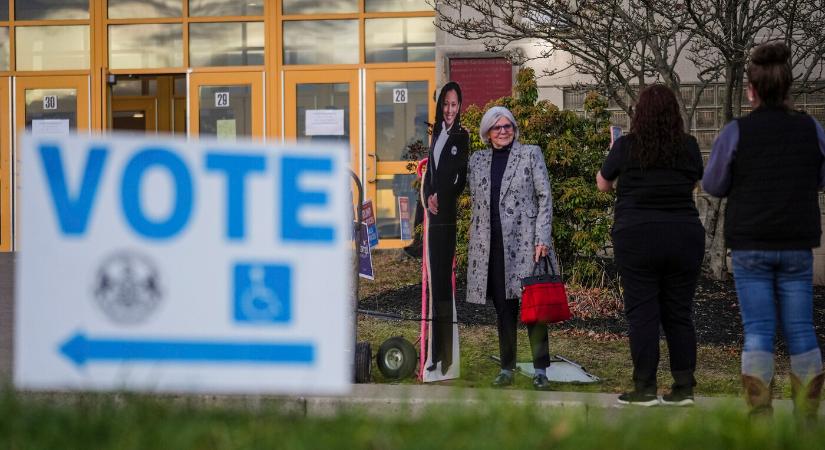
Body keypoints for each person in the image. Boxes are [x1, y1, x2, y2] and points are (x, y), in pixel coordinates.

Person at [702, 42, 825, 419]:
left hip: (750, 243)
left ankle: (759, 416)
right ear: (788, 88)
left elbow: (713, 183)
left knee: (758, 331)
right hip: (796, 243)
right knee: (802, 329)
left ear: (750, 90)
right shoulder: (811, 128)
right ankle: (806, 417)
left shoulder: (737, 131)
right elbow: (820, 177)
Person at [596, 84, 705, 407]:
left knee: (643, 314)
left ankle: (644, 388)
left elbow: (603, 184)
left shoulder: (626, 146)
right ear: (675, 114)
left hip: (637, 235)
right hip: (683, 235)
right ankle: (683, 388)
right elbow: (696, 183)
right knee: (679, 314)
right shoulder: (688, 146)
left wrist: (619, 165)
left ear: (638, 114)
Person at [465, 106, 555, 390]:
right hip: (492, 246)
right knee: (504, 310)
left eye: (508, 126)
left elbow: (545, 197)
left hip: (526, 245)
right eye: (497, 127)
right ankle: (507, 367)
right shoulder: (477, 160)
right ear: (487, 133)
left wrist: (542, 237)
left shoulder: (530, 154)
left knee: (533, 310)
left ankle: (540, 369)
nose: (504, 131)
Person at [421, 82, 469, 378]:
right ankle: (435, 353)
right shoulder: (437, 134)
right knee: (435, 284)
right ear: (440, 106)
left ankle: (447, 357)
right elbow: (431, 174)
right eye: (446, 104)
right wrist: (428, 196)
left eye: (455, 104)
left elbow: (459, 179)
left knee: (443, 286)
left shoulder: (461, 137)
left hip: (447, 218)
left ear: (459, 106)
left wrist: (442, 198)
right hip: (433, 217)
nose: (450, 110)